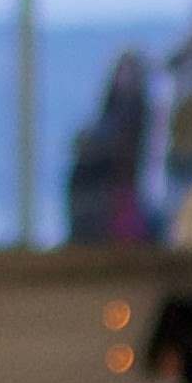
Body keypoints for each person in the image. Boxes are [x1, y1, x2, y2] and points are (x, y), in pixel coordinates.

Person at [63, 52, 155, 244]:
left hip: (120, 195)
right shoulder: (108, 117)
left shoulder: (141, 118)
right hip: (97, 192)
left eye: (132, 73)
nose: (127, 79)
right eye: (124, 71)